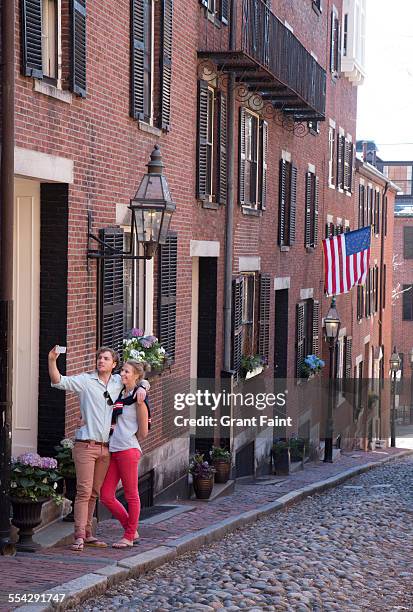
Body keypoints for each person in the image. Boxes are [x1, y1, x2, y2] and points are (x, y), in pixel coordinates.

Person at [48, 346, 148, 551]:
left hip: (107, 449)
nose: (101, 361)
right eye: (99, 358)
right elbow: (59, 381)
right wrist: (52, 361)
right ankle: (79, 536)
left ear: (114, 364)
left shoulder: (118, 383)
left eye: (106, 358)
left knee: (96, 493)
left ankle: (93, 533)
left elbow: (138, 381)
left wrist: (144, 386)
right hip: (87, 444)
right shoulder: (86, 380)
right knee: (85, 491)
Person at [100, 360, 149, 548]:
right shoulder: (121, 394)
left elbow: (143, 432)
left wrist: (142, 391)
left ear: (136, 375)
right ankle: (131, 528)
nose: (123, 374)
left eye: (127, 371)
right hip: (114, 449)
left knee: (131, 494)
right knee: (106, 495)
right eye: (122, 370)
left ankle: (128, 537)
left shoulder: (139, 398)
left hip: (128, 450)